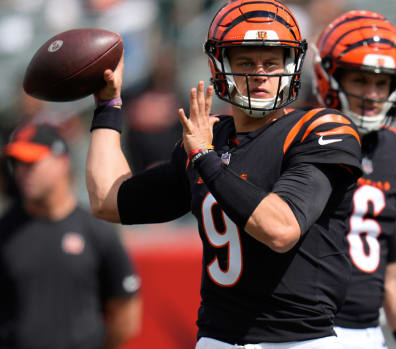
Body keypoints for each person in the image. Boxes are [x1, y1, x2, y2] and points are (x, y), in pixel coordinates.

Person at [86, 0, 362, 347]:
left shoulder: (319, 128)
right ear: (219, 66)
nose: (260, 73)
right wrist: (108, 108)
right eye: (246, 61)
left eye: (271, 62)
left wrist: (206, 157)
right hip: (217, 336)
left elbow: (281, 229)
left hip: (299, 339)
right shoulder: (210, 136)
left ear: (292, 67)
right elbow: (108, 200)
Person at [313, 10, 396, 349]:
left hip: (368, 331)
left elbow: (393, 264)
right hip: (306, 331)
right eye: (360, 80)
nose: (373, 94)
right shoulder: (304, 137)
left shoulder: (394, 148)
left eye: (381, 83)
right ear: (329, 77)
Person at [0, 123, 141, 349]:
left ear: (62, 162)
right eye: (17, 163)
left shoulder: (96, 230)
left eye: (31, 162)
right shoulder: (5, 231)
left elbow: (125, 312)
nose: (22, 171)